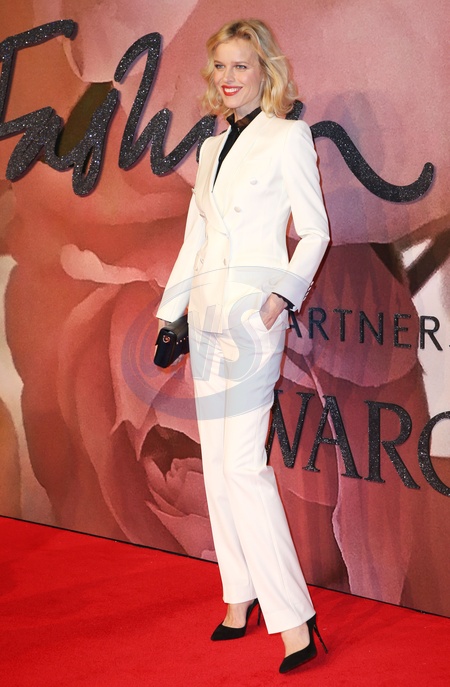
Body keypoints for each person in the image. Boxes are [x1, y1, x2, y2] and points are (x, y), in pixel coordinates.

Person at [156, 18, 330, 674]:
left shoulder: (289, 137)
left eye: (241, 65)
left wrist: (280, 297)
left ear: (265, 71)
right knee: (217, 460)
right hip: (205, 317)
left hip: (254, 319)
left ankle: (295, 617)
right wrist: (170, 315)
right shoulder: (208, 149)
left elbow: (315, 231)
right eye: (221, 66)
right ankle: (239, 593)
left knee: (243, 466)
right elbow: (195, 240)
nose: (229, 78)